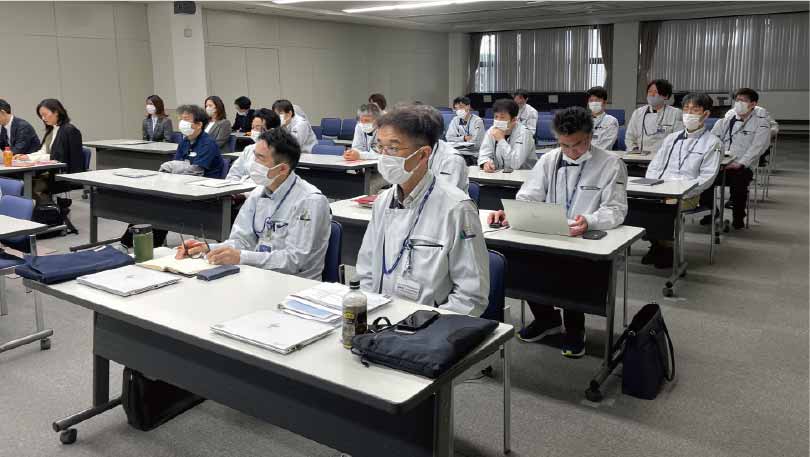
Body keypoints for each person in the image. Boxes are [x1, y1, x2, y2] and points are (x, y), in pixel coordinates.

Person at [488, 107, 628, 357]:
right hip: (547, 232)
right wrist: (513, 212)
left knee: (572, 275)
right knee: (523, 266)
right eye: (564, 145)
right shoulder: (550, 159)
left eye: (577, 145)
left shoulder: (610, 164)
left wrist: (590, 220)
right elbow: (529, 195)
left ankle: (575, 328)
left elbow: (616, 210)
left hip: (582, 238)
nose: (571, 152)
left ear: (590, 137)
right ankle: (546, 319)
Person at [355, 107, 489, 316]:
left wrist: (423, 328)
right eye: (379, 146)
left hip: (430, 328)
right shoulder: (383, 202)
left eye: (393, 148)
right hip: (381, 321)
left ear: (423, 154)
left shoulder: (457, 208)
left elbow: (470, 297)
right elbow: (366, 270)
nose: (383, 156)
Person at [177, 128, 331, 280]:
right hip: (258, 276)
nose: (252, 164)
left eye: (260, 158)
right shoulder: (258, 193)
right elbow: (241, 241)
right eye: (254, 156)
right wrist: (208, 248)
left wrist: (241, 257)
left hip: (294, 285)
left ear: (283, 169)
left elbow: (294, 261)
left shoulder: (310, 201)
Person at [639, 93, 721, 268]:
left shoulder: (712, 143)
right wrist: (651, 186)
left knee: (665, 207)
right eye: (686, 109)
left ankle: (667, 249)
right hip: (660, 189)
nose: (689, 113)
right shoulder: (671, 138)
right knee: (639, 204)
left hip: (687, 194)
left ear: (705, 114)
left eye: (695, 110)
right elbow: (655, 166)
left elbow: (707, 177)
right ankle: (656, 244)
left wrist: (683, 192)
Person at [710, 88, 771, 229]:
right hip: (722, 162)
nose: (739, 103)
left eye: (743, 101)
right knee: (703, 181)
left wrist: (740, 163)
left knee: (739, 185)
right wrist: (716, 157)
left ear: (753, 104)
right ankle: (711, 212)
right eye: (737, 100)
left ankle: (738, 215)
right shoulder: (729, 117)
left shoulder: (761, 121)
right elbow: (714, 139)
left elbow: (758, 147)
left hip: (743, 165)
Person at [20, 99, 84, 204]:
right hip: (51, 172)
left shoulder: (69, 130)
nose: (43, 118)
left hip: (63, 175)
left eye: (45, 115)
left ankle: (51, 213)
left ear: (56, 112)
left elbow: (58, 158)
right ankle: (46, 211)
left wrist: (31, 158)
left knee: (29, 185)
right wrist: (27, 157)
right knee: (22, 183)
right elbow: (43, 151)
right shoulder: (51, 130)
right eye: (41, 116)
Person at [161, 104, 224, 178]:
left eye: (186, 119)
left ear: (199, 124)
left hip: (205, 183)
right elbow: (176, 163)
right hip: (185, 180)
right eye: (181, 119)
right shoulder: (185, 141)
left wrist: (173, 171)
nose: (182, 123)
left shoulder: (208, 144)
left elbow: (196, 171)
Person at [625, 79, 683, 156]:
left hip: (664, 157)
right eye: (650, 91)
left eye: (656, 92)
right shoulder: (638, 113)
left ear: (665, 96)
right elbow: (630, 137)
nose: (652, 94)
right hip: (639, 157)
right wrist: (634, 150)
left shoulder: (676, 113)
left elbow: (678, 139)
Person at [478, 99, 536, 172]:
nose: (498, 121)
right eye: (496, 117)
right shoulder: (491, 130)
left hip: (523, 177)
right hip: (499, 176)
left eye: (502, 117)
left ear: (514, 120)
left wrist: (501, 140)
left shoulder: (524, 133)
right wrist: (486, 163)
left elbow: (515, 164)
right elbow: (483, 154)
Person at [226, 108, 281, 183]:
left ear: (271, 131)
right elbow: (233, 174)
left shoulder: (279, 153)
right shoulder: (249, 149)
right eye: (252, 127)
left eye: (258, 127)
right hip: (239, 190)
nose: (254, 131)